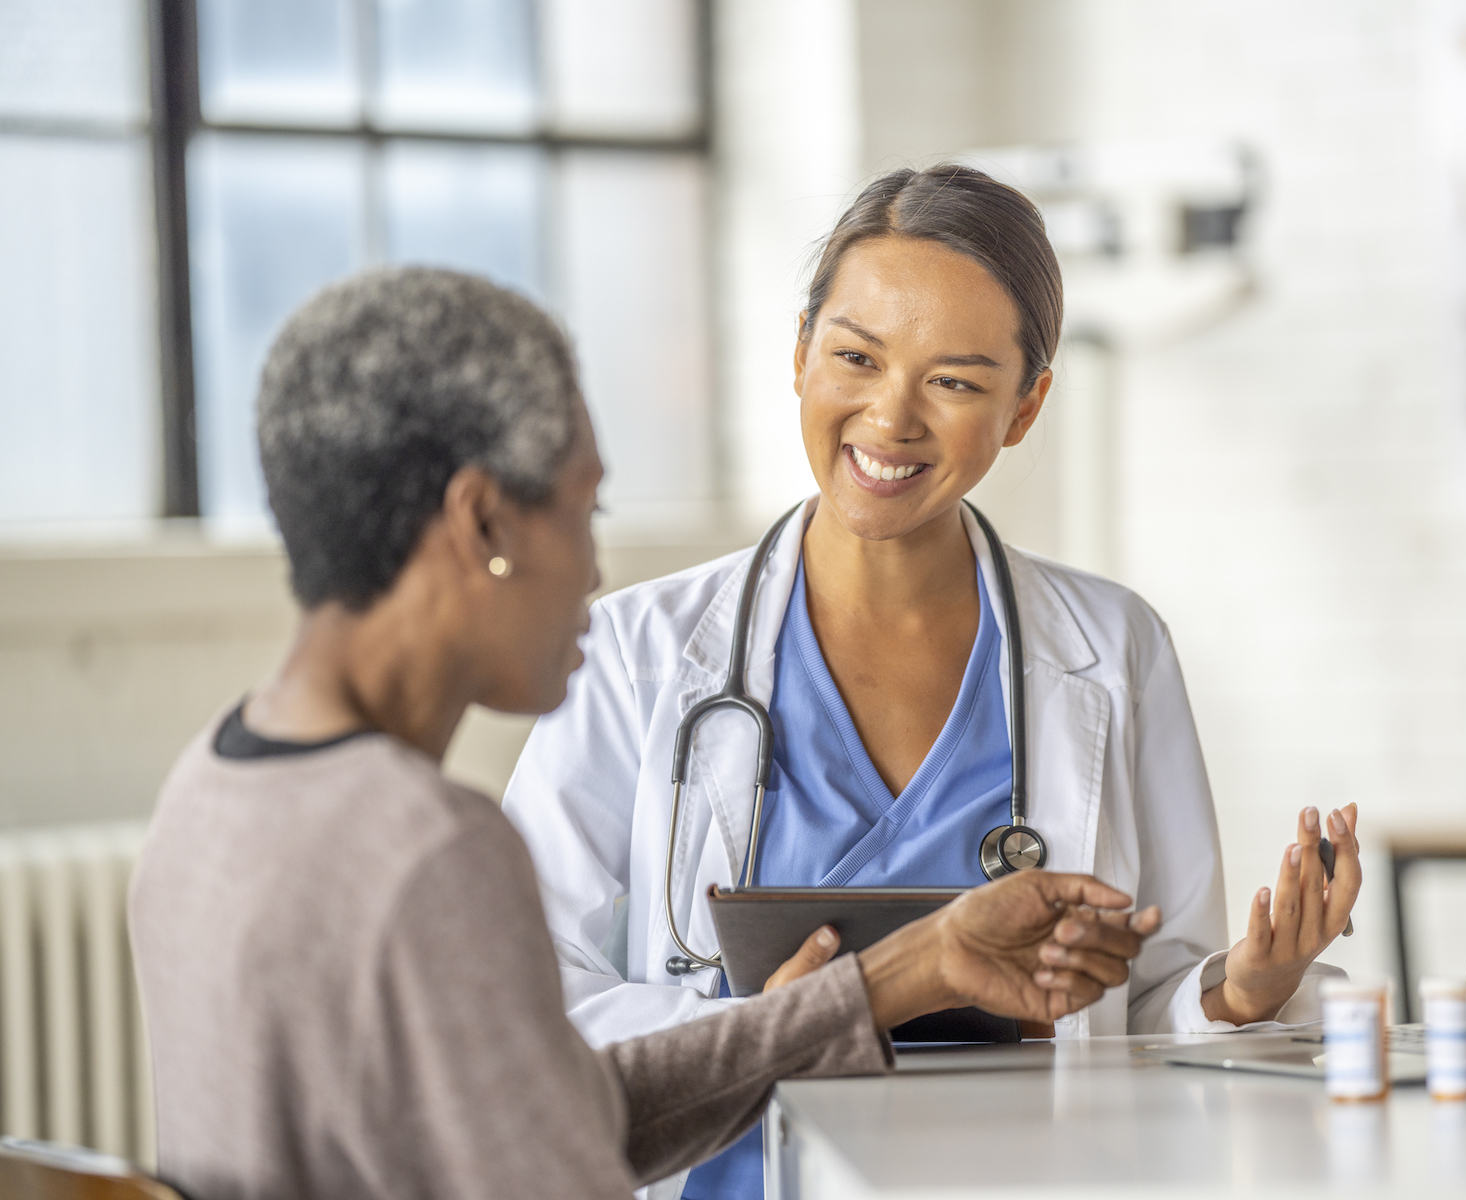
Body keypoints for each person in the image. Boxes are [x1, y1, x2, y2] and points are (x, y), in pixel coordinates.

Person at [127, 267, 1161, 1200]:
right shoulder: (430, 851)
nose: (594, 572)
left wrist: (901, 973)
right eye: (584, 510)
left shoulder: (212, 787)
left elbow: (558, 1113)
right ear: (483, 523)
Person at [502, 164, 1362, 1199]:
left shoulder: (1114, 647)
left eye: (954, 381)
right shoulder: (636, 655)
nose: (891, 416)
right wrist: (776, 1029)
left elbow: (1148, 1000)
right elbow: (523, 1000)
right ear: (799, 357)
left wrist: (1243, 990)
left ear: (1025, 405)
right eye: (855, 357)